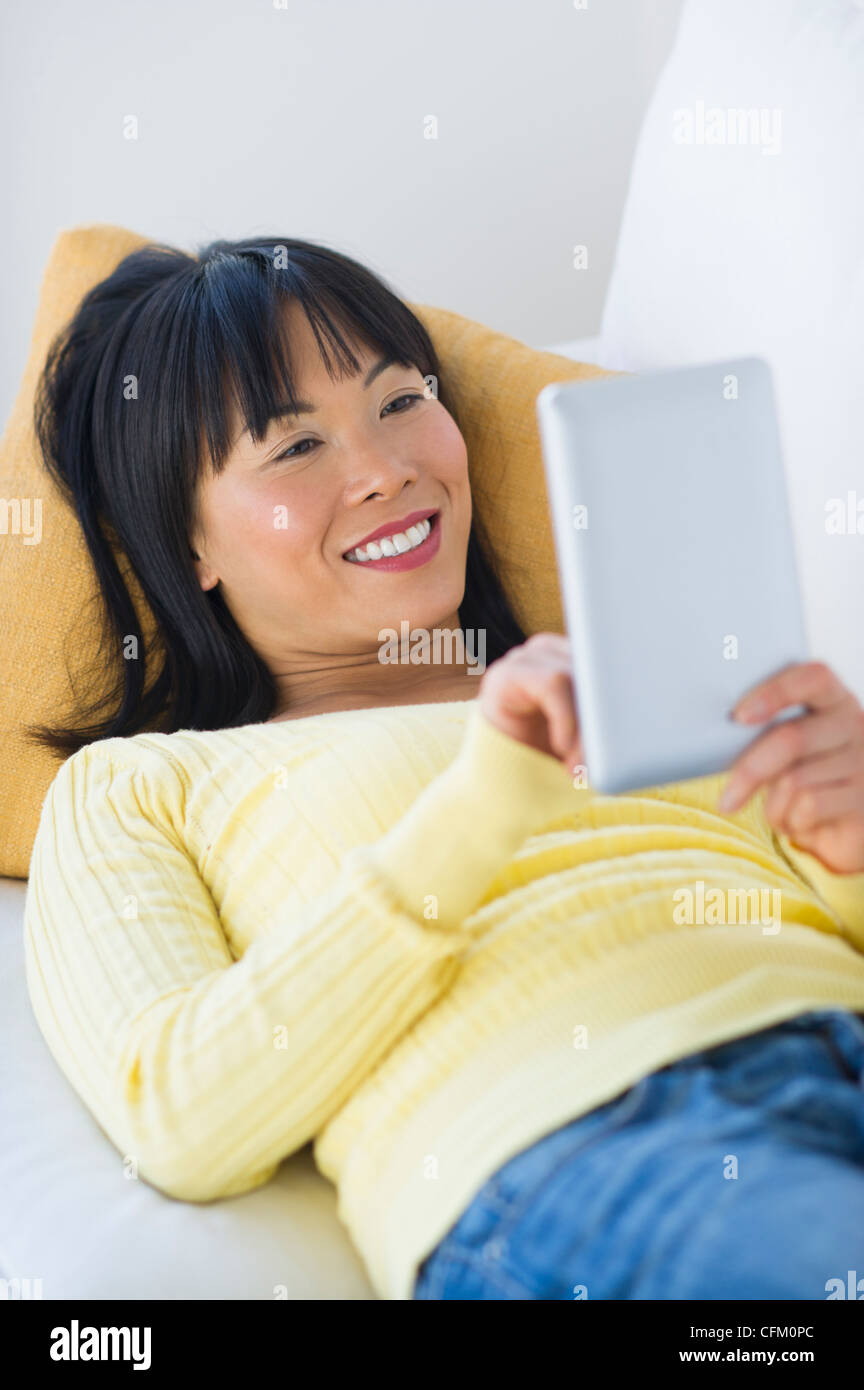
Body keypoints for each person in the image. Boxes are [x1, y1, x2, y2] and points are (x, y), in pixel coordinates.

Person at [23, 236, 864, 1301]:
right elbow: (180, 1118)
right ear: (190, 546)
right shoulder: (145, 786)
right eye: (292, 448)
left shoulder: (654, 673)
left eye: (400, 399)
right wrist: (476, 812)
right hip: (601, 1140)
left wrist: (850, 850)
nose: (386, 470)